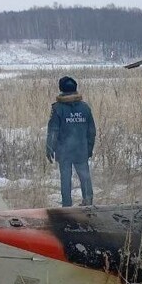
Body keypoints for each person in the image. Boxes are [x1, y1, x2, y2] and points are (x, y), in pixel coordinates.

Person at [46, 75, 96, 207]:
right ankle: (88, 201)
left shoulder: (57, 108)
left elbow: (53, 130)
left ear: (61, 89)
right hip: (81, 149)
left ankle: (67, 205)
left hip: (64, 152)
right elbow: (91, 131)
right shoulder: (85, 107)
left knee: (65, 178)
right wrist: (89, 148)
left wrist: (49, 147)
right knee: (85, 176)